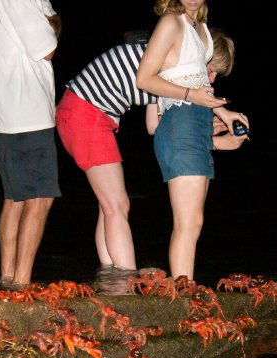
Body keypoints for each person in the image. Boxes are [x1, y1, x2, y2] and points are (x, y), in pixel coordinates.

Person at [55, 27, 244, 292]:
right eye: (210, 69)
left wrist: (207, 129)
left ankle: (110, 278)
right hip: (85, 113)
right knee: (117, 206)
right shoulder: (168, 62)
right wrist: (219, 117)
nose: (211, 79)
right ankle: (125, 288)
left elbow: (154, 126)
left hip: (86, 114)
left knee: (108, 205)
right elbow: (168, 126)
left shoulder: (164, 65)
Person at [136, 0, 249, 282]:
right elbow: (144, 79)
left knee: (193, 222)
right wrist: (191, 96)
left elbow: (197, 85)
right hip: (181, 121)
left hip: (194, 122)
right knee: (188, 223)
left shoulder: (199, 28)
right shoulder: (172, 21)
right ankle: (185, 295)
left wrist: (225, 113)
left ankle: (186, 289)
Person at [0, 0, 62, 290]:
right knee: (40, 197)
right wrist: (52, 24)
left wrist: (50, 22)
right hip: (26, 109)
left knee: (15, 198)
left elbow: (50, 21)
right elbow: (47, 48)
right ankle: (21, 283)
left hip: (3, 109)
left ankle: (7, 279)